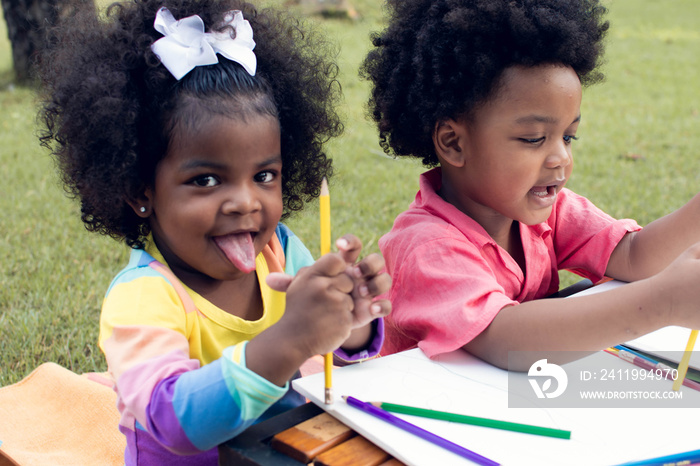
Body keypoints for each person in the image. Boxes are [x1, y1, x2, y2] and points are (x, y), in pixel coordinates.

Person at [37, 0, 391, 463]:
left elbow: (327, 350)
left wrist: (349, 320)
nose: (245, 201)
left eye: (264, 175)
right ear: (140, 190)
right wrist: (289, 339)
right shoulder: (144, 297)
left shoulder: (280, 253)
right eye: (206, 180)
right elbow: (174, 420)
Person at [361, 0, 700, 371]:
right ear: (454, 143)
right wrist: (662, 303)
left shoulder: (545, 210)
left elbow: (636, 256)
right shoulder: (426, 247)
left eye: (568, 137)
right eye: (534, 139)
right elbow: (507, 339)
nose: (560, 158)